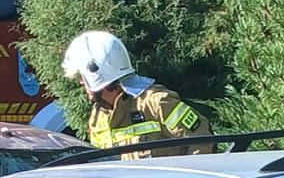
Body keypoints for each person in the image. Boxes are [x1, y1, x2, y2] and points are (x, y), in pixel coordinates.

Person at [63, 30, 211, 158]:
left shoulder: (155, 102)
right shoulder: (98, 117)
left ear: (97, 73)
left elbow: (203, 140)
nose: (81, 83)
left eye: (82, 77)